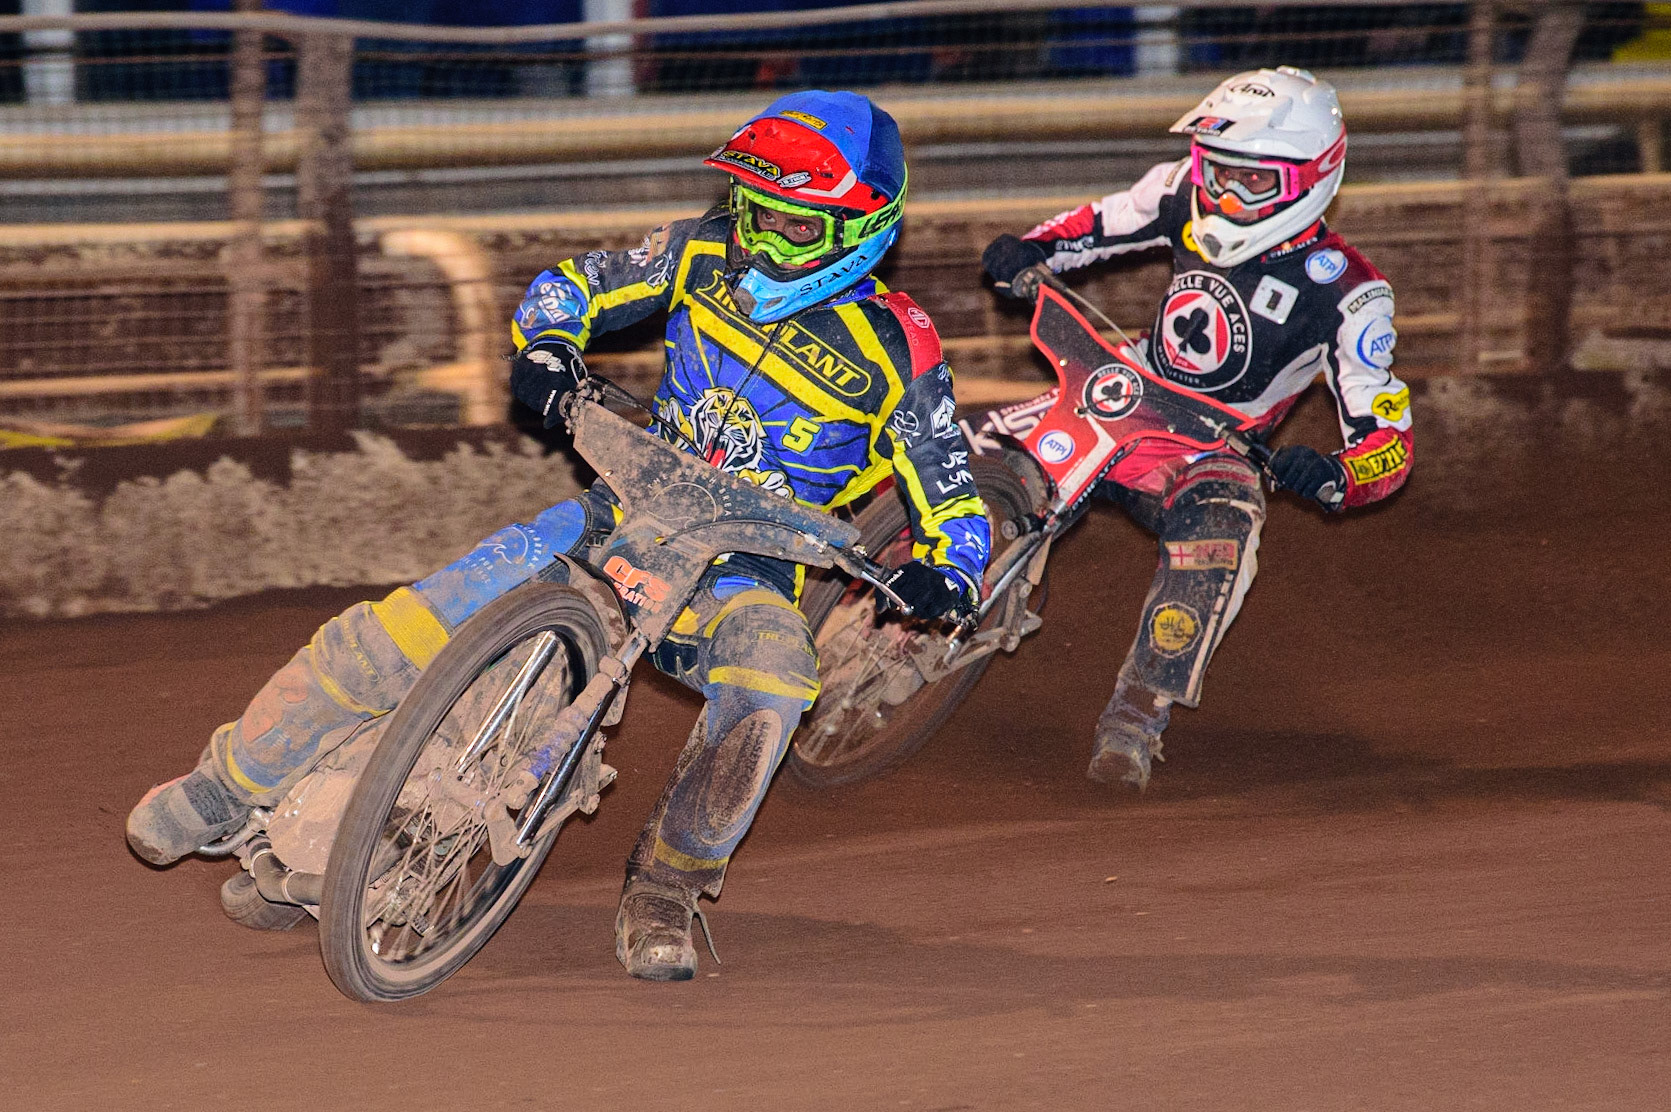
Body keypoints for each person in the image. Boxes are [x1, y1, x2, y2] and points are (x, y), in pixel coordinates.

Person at [127, 90, 990, 981]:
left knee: (771, 688)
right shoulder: (700, 251)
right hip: (622, 508)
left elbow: (953, 492)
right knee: (413, 621)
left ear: (861, 231)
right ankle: (230, 788)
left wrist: (952, 572)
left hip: (743, 570)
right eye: (753, 212)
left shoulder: (900, 349)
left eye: (790, 228)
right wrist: (545, 343)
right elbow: (573, 283)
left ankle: (668, 886)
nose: (759, 241)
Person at [981, 66, 1411, 790]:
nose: (1227, 196)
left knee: (1224, 530)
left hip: (1214, 446)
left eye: (1254, 184)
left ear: (1314, 178)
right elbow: (1097, 223)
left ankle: (1136, 713)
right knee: (972, 449)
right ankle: (879, 590)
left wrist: (1337, 474)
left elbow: (1389, 442)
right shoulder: (1179, 189)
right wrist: (1029, 249)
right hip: (1116, 393)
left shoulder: (1348, 291)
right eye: (1219, 173)